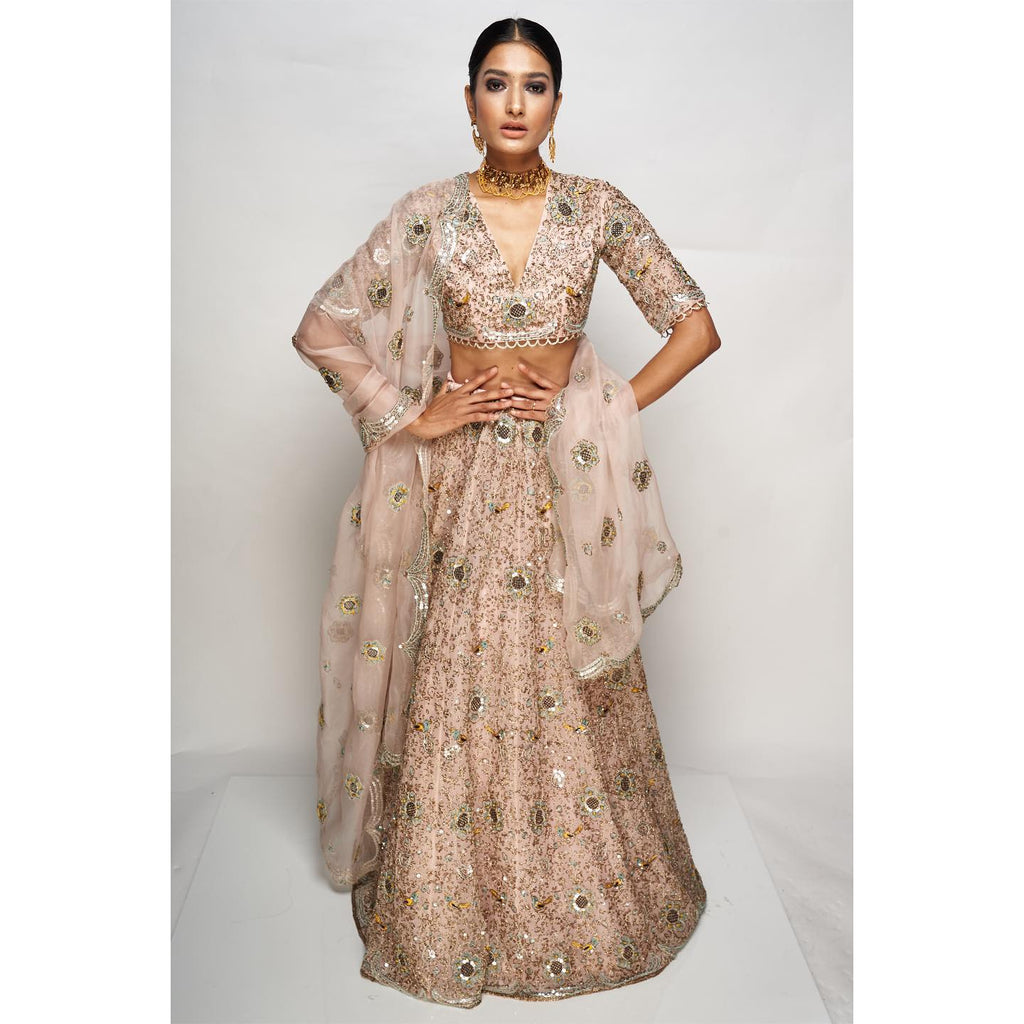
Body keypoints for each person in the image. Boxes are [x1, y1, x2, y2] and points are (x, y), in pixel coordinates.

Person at [290, 16, 721, 1008]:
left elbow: (695, 325)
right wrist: (414, 414)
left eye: (534, 85)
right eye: (496, 82)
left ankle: (582, 886)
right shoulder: (429, 213)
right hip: (462, 480)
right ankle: (450, 896)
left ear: (558, 104)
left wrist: (601, 406)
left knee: (566, 665)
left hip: (568, 479)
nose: (515, 102)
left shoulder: (596, 207)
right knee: (462, 671)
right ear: (470, 101)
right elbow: (324, 326)